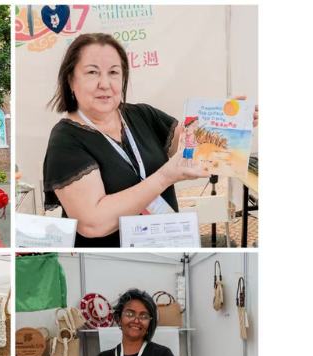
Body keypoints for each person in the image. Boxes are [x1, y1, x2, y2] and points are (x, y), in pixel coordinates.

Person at [42, 33, 258, 247]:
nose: (105, 83)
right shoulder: (65, 140)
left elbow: (194, 147)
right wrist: (163, 178)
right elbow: (92, 223)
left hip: (168, 247)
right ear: (71, 80)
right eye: (92, 72)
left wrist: (225, 122)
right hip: (111, 262)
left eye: (114, 72)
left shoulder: (143, 115)